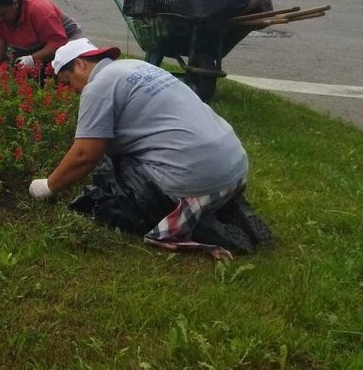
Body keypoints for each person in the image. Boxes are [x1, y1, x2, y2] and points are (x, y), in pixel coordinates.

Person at [29, 38, 269, 259]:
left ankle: (201, 227)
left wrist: (48, 186)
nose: (73, 91)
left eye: (68, 82)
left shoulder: (98, 87)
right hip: (235, 166)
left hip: (195, 176)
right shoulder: (136, 67)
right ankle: (225, 206)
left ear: (80, 64)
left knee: (112, 173)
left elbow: (85, 155)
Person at [0, 0, 84, 71]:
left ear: (15, 3)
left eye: (2, 14)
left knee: (67, 70)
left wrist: (32, 59)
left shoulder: (39, 8)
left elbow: (58, 43)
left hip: (67, 40)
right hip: (36, 45)